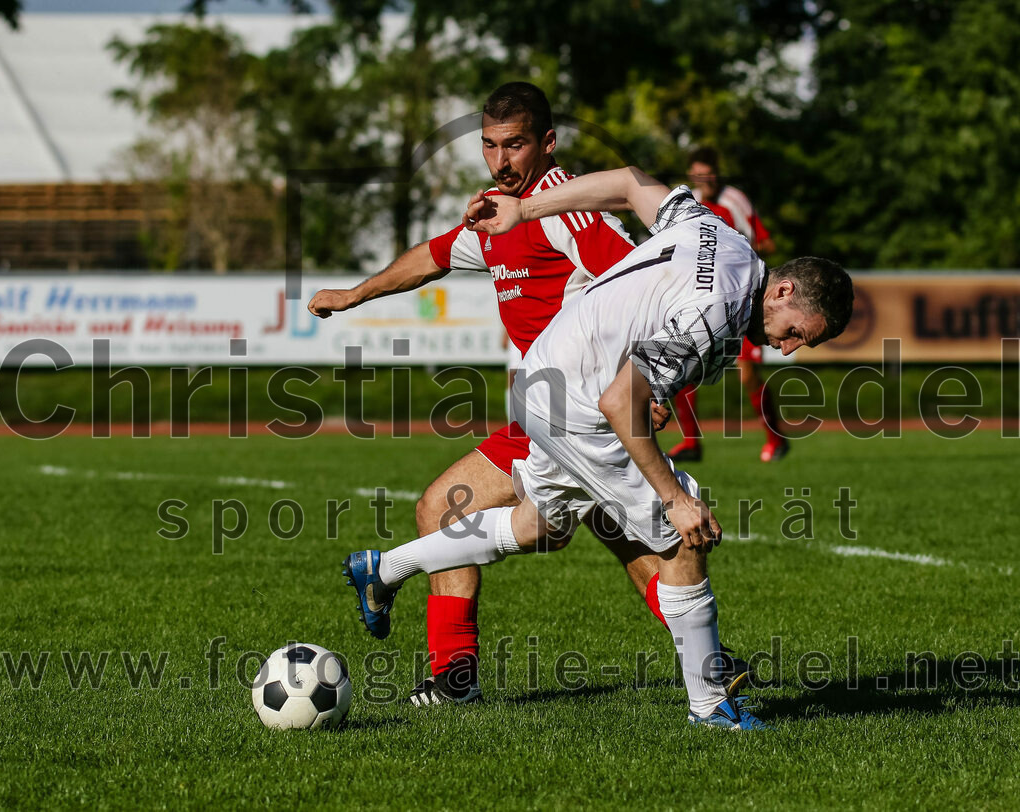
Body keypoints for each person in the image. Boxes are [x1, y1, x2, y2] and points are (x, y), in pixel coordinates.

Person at [343, 165, 853, 730]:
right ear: (783, 291)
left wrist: (526, 208)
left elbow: (633, 180)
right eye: (799, 333)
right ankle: (711, 706)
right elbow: (619, 402)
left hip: (542, 375)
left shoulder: (721, 237)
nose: (788, 349)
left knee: (538, 525)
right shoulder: (718, 312)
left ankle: (384, 568)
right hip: (579, 404)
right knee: (683, 537)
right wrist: (672, 497)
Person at [309, 83, 747, 707]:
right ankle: (714, 669)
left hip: (584, 405)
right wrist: (356, 294)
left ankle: (440, 656)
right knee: (624, 536)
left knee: (457, 510)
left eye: (514, 145)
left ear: (547, 143)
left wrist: (652, 388)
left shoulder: (571, 213)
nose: (500, 160)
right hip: (552, 410)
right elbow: (433, 258)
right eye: (489, 146)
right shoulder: (496, 212)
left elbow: (642, 283)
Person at [668, 146, 788, 463]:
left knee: (748, 374)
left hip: (743, 297)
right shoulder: (687, 202)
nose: (702, 178)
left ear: (717, 172)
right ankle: (691, 442)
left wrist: (735, 249)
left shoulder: (734, 200)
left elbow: (766, 241)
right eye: (696, 172)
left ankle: (775, 439)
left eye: (707, 171)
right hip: (703, 297)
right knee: (681, 365)